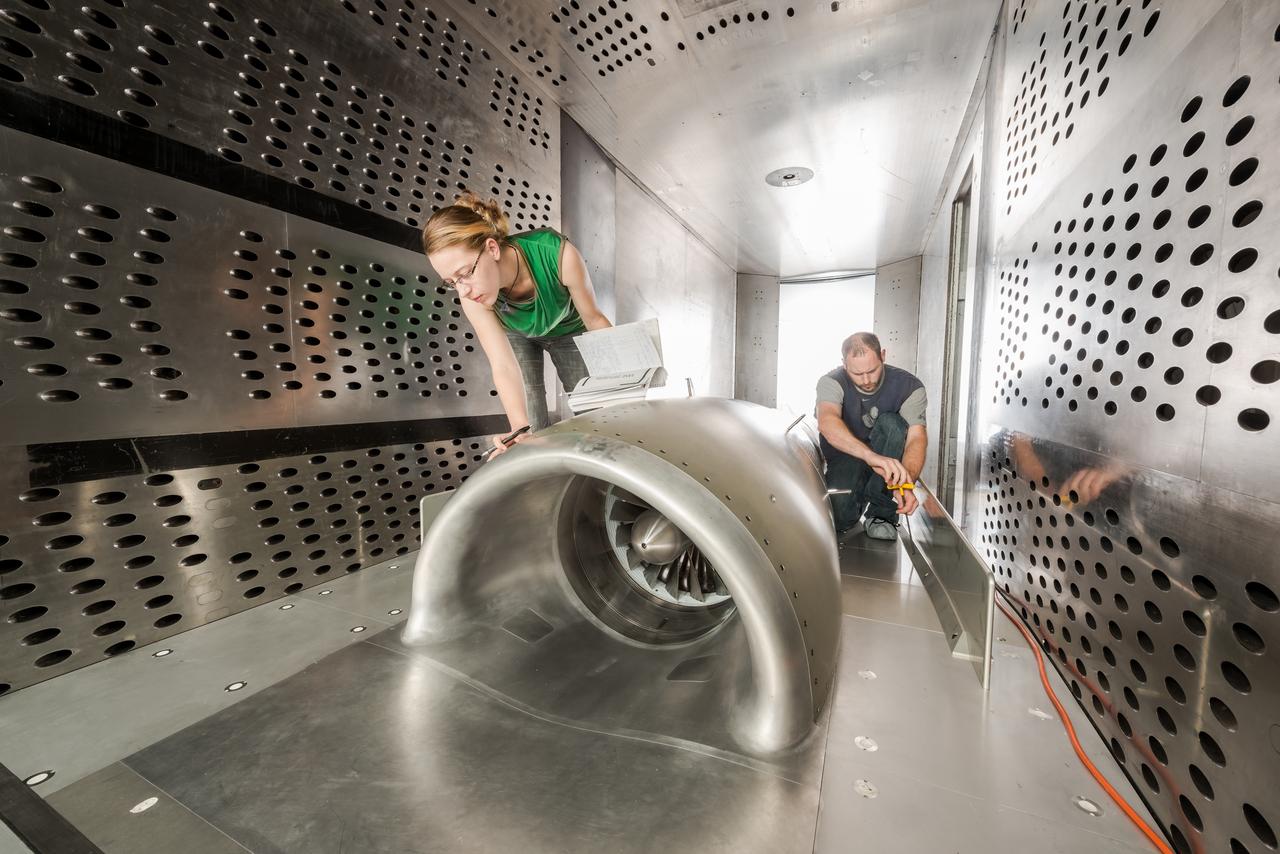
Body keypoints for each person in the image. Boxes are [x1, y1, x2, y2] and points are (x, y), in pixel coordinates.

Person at [422, 193, 612, 457]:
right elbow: (502, 364)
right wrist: (519, 430)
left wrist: (623, 385)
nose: (462, 290)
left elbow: (594, 319)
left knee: (593, 411)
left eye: (465, 273)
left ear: (492, 248)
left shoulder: (557, 255)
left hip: (568, 328)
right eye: (451, 282)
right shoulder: (471, 296)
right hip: (519, 333)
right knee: (530, 430)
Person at [815, 332, 928, 540]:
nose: (866, 380)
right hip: (848, 458)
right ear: (843, 363)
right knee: (839, 518)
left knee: (893, 423)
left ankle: (881, 514)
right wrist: (871, 457)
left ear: (883, 355)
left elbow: (916, 438)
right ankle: (856, 501)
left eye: (872, 370)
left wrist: (905, 483)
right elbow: (827, 423)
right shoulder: (831, 382)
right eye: (857, 374)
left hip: (889, 462)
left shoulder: (910, 387)